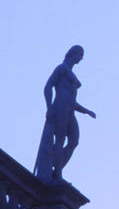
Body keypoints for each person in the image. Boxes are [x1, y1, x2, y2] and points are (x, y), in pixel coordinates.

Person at [34, 46, 95, 184]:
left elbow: (73, 102)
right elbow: (48, 87)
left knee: (74, 140)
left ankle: (57, 167)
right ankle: (58, 174)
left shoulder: (72, 74)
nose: (81, 58)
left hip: (70, 109)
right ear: (73, 53)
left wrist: (87, 111)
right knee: (60, 140)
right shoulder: (61, 69)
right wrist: (49, 108)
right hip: (60, 106)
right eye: (80, 54)